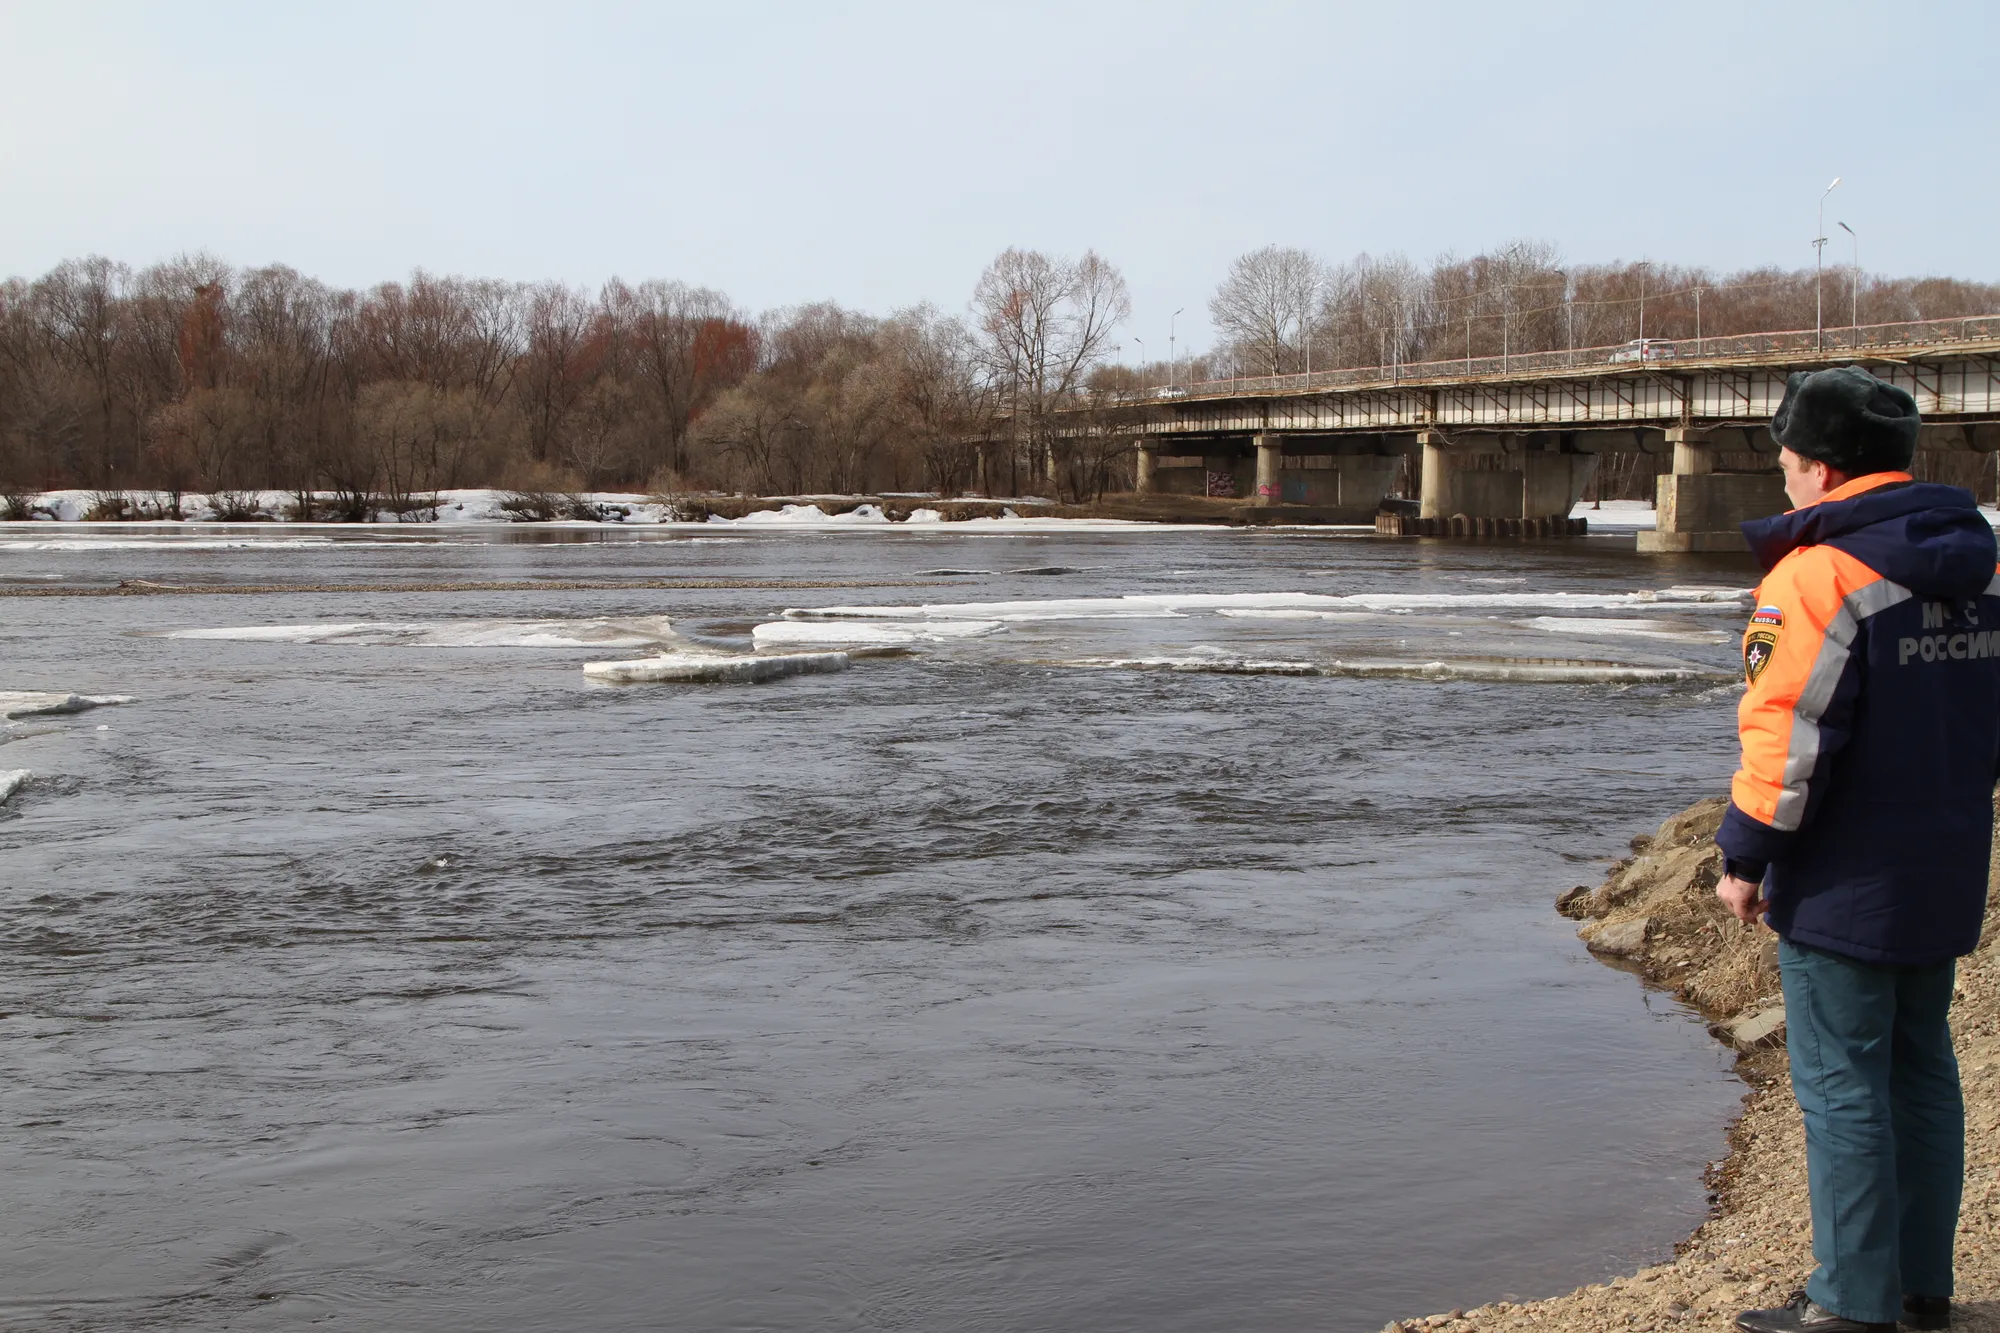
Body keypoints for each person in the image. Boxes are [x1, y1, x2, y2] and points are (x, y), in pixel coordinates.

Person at [1715, 366, 1998, 1333]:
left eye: (1788, 465)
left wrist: (1745, 856)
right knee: (1922, 1070)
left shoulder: (1816, 575)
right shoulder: (1983, 567)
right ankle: (1922, 1290)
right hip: (1947, 864)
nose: (1785, 482)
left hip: (1845, 878)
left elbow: (1787, 735)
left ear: (1823, 469)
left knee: (1841, 1082)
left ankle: (1848, 1304)